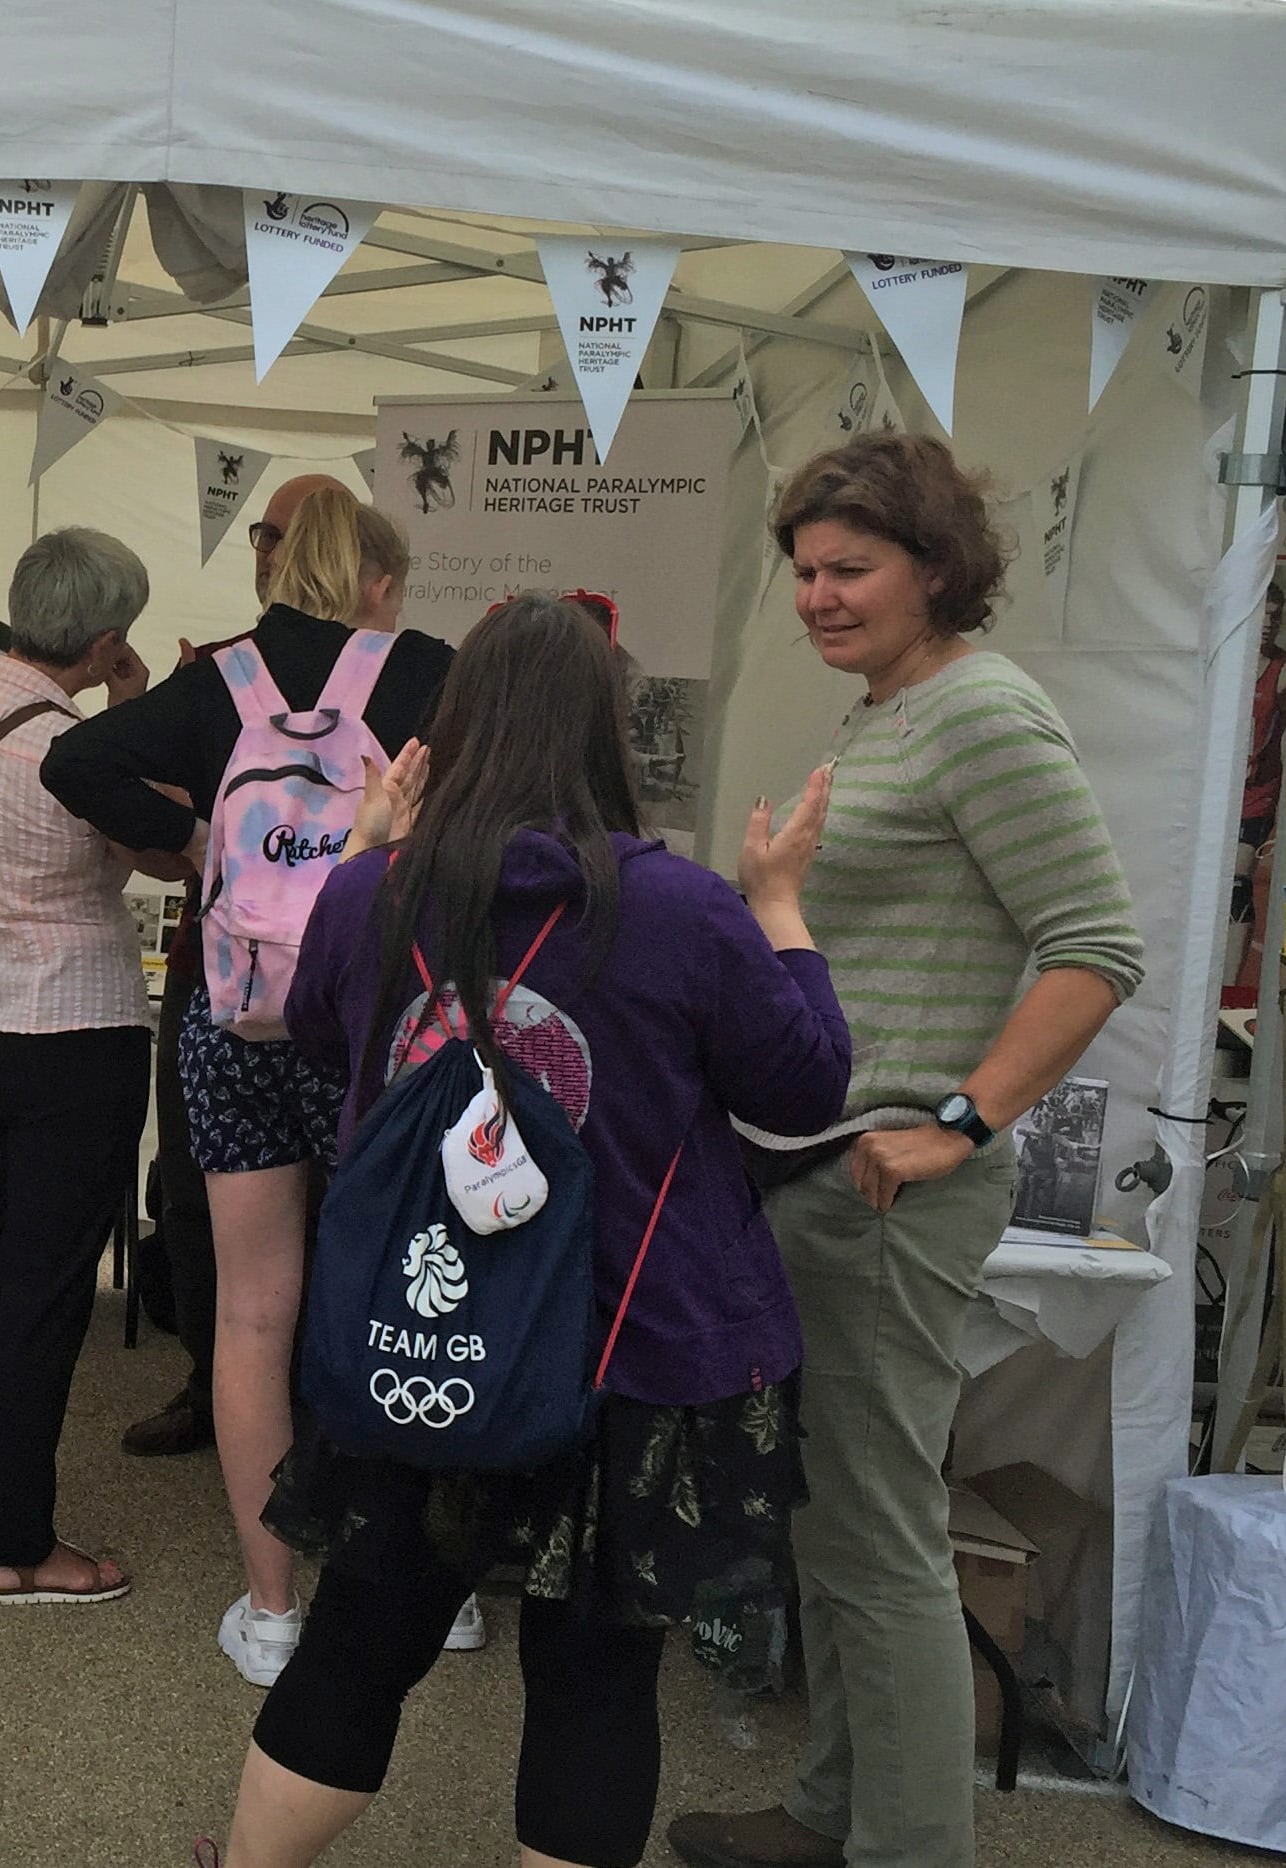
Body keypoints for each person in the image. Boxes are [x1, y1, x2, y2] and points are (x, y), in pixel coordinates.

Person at [208, 593, 850, 1868]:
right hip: (629, 1344)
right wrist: (781, 903)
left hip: (429, 1330)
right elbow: (803, 1085)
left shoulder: (371, 897)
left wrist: (372, 844)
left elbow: (336, 1044)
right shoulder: (683, 911)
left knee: (358, 1643)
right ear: (610, 734)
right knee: (596, 1680)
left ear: (448, 732)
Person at [669, 433, 1144, 1868]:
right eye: (802, 569)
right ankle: (830, 1810)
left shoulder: (982, 713)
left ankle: (906, 1848)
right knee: (830, 1523)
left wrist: (958, 1121)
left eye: (849, 568)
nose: (815, 594)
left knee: (874, 1542)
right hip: (817, 1174)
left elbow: (1094, 947)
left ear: (933, 568)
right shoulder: (886, 709)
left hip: (884, 1186)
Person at [43, 486, 451, 1682]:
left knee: (252, 1312)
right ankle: (418, 1584)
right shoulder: (427, 671)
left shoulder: (220, 678)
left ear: (277, 564)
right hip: (378, 1024)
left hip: (239, 1021)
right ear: (375, 571)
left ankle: (270, 1607)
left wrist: (197, 850)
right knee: (400, 1298)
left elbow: (77, 757)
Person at [0, 526, 174, 1605]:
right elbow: (161, 847)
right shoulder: (81, 743)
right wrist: (136, 716)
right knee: (46, 1290)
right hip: (75, 1028)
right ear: (106, 643)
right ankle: (22, 1544)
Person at [122, 472, 357, 1463]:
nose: (271, 550)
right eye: (262, 532)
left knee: (347, 1192)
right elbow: (145, 830)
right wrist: (199, 837)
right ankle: (210, 1381)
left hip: (349, 983)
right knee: (192, 1185)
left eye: (291, 535)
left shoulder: (391, 675)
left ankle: (331, 1394)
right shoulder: (215, 673)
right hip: (214, 971)